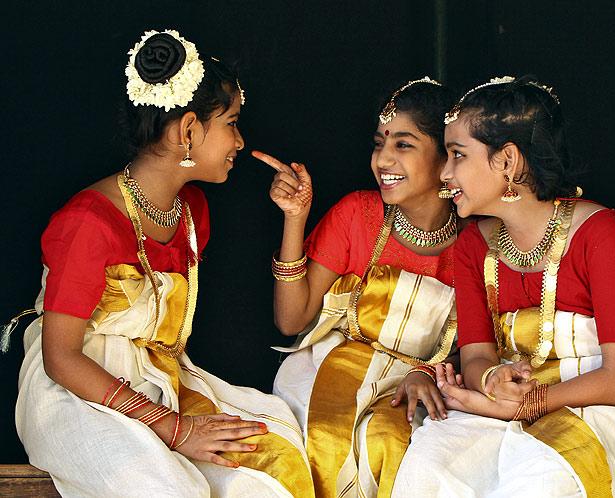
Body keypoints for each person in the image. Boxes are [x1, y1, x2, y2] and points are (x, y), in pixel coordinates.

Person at [14, 30, 313, 498]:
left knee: (277, 452)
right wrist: (172, 428)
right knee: (167, 489)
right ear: (188, 130)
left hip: (158, 378)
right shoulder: (88, 222)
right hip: (77, 393)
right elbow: (60, 357)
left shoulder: (192, 213)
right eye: (232, 123)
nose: (240, 140)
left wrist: (294, 218)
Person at [393, 75, 615, 497]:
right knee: (429, 465)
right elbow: (478, 355)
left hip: (595, 402)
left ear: (507, 161)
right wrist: (494, 379)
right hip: (506, 403)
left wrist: (525, 404)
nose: (444, 173)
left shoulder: (601, 234)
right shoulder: (472, 245)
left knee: (541, 477)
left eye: (457, 155)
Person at [253, 77, 460, 497]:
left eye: (403, 145)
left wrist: (425, 373)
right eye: (379, 142)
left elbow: (477, 346)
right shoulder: (357, 214)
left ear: (446, 159)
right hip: (328, 373)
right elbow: (291, 319)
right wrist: (296, 218)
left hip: (419, 388)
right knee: (327, 434)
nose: (383, 159)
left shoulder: (477, 243)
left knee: (397, 444)